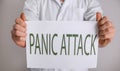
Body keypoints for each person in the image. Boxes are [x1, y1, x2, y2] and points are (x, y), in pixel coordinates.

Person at [11, 0, 115, 71]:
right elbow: (27, 27)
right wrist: (22, 34)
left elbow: (96, 28)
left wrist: (103, 33)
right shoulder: (34, 1)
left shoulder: (89, 1)